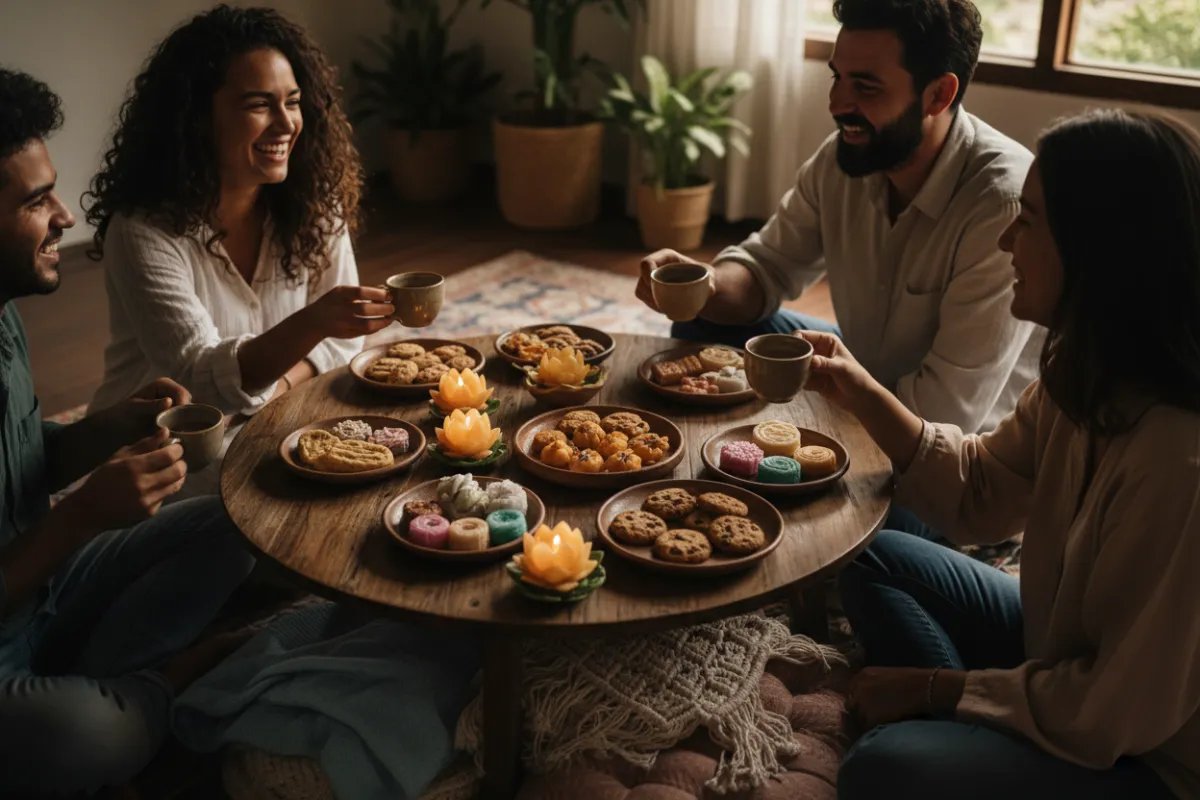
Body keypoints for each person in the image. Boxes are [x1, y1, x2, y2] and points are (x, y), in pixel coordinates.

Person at [813, 108, 1200, 799]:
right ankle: (976, 737)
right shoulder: (1086, 371)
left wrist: (937, 688)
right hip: (1061, 655)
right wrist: (861, 391)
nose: (1004, 239)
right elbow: (980, 491)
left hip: (1147, 758)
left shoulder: (1178, 463)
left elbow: (1113, 713)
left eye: (1028, 221)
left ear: (1102, 248)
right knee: (866, 548)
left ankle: (955, 738)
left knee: (883, 767)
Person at [0, 68, 257, 795]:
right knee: (83, 738)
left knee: (235, 523)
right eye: (34, 200)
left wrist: (110, 428)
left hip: (42, 586)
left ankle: (97, 678)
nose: (63, 217)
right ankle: (166, 682)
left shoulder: (4, 316)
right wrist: (83, 516)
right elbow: (64, 515)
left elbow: (24, 468)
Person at [635, 0, 1043, 436]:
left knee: (849, 495)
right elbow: (767, 265)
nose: (836, 103)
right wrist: (706, 285)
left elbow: (942, 417)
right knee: (703, 318)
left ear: (938, 95)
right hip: (868, 371)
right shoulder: (845, 157)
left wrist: (801, 420)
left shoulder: (1001, 204)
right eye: (837, 78)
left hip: (955, 456)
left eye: (865, 88)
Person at [84, 4, 395, 499]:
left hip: (273, 425)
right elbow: (201, 383)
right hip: (161, 456)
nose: (286, 124)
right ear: (198, 118)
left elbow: (341, 346)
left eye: (292, 102)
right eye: (258, 104)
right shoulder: (143, 231)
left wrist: (274, 394)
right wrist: (313, 322)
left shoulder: (315, 202)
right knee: (291, 490)